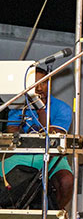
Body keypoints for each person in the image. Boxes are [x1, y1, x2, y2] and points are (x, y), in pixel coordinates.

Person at [4, 67, 74, 209]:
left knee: (67, 181)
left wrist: (41, 109)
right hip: (22, 156)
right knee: (4, 182)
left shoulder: (62, 108)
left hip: (53, 158)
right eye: (35, 84)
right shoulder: (18, 106)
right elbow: (11, 133)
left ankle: (55, 217)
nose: (39, 88)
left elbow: (53, 137)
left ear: (50, 84)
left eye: (43, 83)